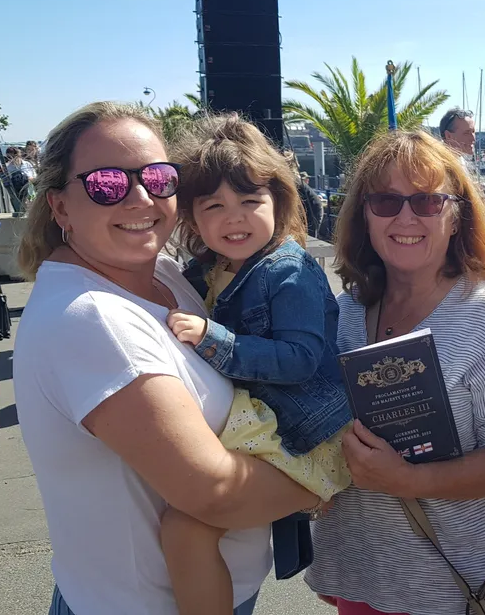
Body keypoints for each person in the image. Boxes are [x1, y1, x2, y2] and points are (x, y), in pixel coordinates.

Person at [13, 102, 318, 615]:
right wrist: (335, 476)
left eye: (158, 178)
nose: (140, 197)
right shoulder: (93, 320)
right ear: (60, 207)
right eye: (106, 183)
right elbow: (214, 493)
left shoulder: (169, 277)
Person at [306, 129, 485, 615]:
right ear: (364, 216)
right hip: (359, 568)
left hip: (456, 582)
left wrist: (408, 481)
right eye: (387, 201)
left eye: (428, 202)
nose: (406, 217)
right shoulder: (342, 313)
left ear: (457, 216)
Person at [160, 112, 352, 614]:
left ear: (279, 202)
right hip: (267, 424)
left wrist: (215, 339)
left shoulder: (287, 271)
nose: (234, 218)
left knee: (185, 526)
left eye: (250, 202)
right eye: (214, 206)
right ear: (192, 217)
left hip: (301, 432)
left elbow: (303, 358)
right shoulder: (209, 269)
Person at [283, 150, 324, 238]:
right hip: (309, 206)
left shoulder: (292, 179)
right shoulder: (292, 178)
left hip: (312, 208)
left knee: (308, 236)